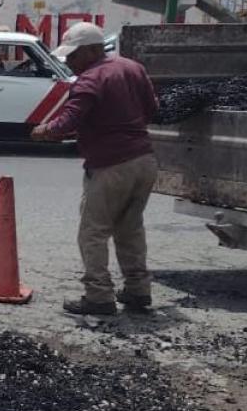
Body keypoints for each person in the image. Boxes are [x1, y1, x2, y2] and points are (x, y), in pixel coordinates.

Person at [31, 22, 159, 316]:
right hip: (144, 161)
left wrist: (41, 131)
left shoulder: (90, 79)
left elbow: (68, 122)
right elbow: (153, 109)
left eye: (74, 55)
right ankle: (138, 291)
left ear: (92, 50)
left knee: (93, 232)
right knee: (130, 229)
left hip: (111, 166)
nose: (70, 62)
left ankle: (99, 296)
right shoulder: (132, 68)